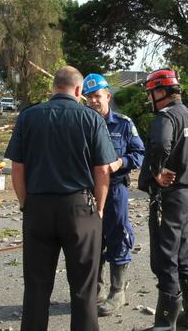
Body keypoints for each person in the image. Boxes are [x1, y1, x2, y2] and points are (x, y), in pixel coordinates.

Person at [5, 66, 117, 331]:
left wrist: (25, 204)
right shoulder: (91, 119)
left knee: (36, 286)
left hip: (38, 206)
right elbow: (102, 170)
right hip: (79, 208)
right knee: (83, 288)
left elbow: (17, 168)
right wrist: (99, 208)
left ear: (54, 87)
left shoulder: (28, 117)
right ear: (79, 90)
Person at [136, 68, 188, 331]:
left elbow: (160, 146)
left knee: (166, 258)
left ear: (161, 92)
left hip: (170, 197)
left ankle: (164, 325)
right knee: (182, 253)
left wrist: (158, 172)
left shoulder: (166, 117)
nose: (150, 99)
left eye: (152, 93)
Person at [83, 73, 145, 317]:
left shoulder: (123, 123)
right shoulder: (82, 123)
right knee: (91, 240)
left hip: (116, 189)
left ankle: (117, 292)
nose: (93, 101)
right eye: (88, 97)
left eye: (97, 96)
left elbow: (140, 153)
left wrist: (121, 162)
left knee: (118, 235)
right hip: (87, 192)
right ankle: (94, 291)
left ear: (108, 95)